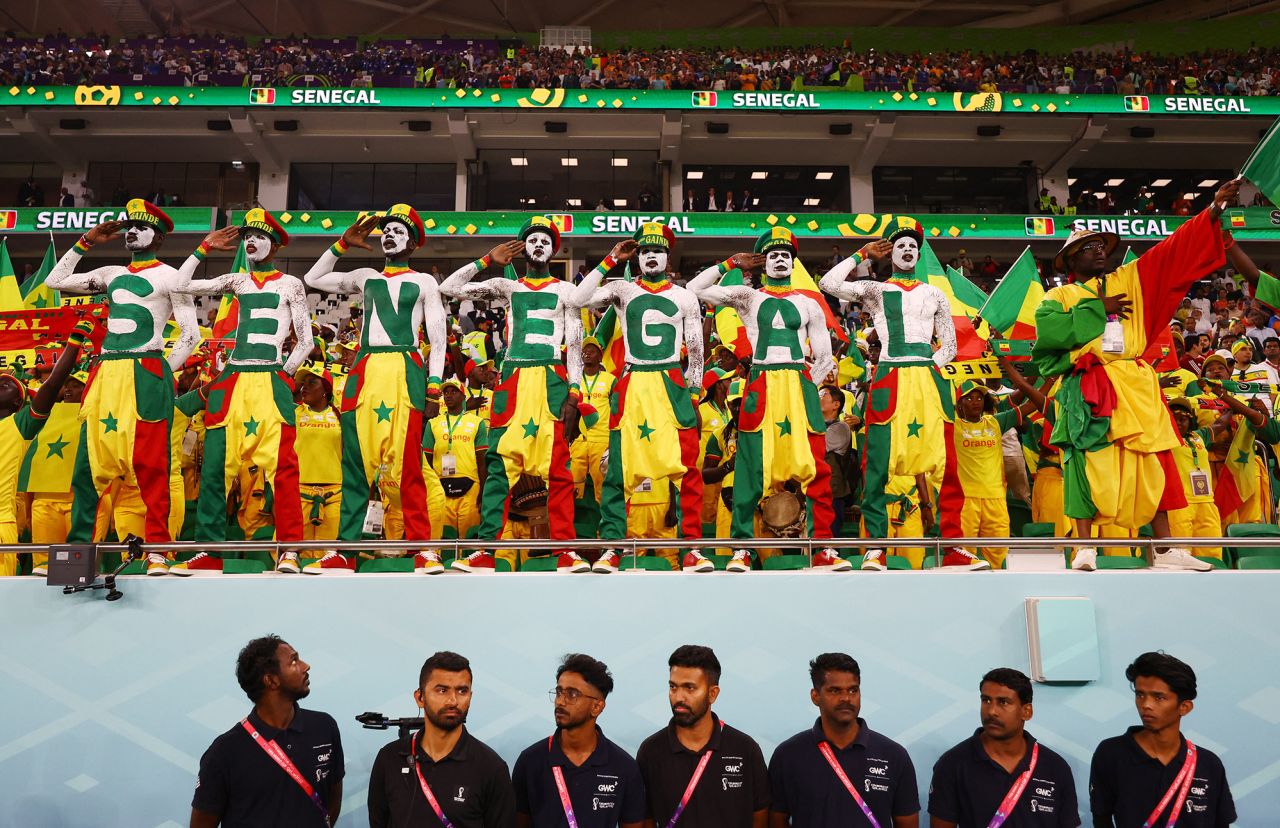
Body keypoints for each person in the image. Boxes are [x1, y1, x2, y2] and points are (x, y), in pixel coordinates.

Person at [1031, 178, 1242, 572]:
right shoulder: (1056, 297)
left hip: (1138, 384)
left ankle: (1166, 549)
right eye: (1087, 248)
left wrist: (1212, 210)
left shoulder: (1131, 279)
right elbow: (1050, 335)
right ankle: (1085, 548)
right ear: (1068, 260)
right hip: (1091, 385)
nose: (1097, 251)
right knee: (1086, 462)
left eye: (1100, 246)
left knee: (1159, 460)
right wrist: (1099, 307)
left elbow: (1171, 253)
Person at [44, 200, 200, 563]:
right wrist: (87, 241)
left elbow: (191, 336)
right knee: (87, 467)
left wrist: (162, 371)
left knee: (151, 465)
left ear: (158, 237)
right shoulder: (112, 271)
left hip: (144, 370)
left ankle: (159, 551)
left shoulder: (173, 277)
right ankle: (76, 556)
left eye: (141, 227)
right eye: (129, 226)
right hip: (106, 372)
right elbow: (55, 282)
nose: (131, 232)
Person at [688, 228, 844, 573]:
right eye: (772, 254)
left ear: (793, 261)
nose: (778, 259)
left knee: (815, 464)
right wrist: (730, 262)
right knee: (749, 467)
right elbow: (694, 289)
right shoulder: (748, 296)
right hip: (761, 379)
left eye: (785, 254)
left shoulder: (808, 302)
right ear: (762, 263)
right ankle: (742, 548)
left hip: (796, 382)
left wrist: (805, 385)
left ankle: (822, 547)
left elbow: (824, 357)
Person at [303, 205, 448, 573]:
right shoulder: (366, 275)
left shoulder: (425, 282)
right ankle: (346, 549)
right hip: (366, 368)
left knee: (409, 464)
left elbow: (438, 336)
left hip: (405, 369)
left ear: (413, 242)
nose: (389, 235)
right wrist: (341, 244)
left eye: (399, 231)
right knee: (356, 464)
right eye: (386, 230)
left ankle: (423, 548)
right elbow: (313, 277)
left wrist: (434, 388)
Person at [440, 218, 586, 572]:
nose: (538, 245)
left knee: (558, 468)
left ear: (556, 249)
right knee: (499, 466)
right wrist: (487, 260)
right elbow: (449, 287)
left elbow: (577, 345)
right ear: (522, 248)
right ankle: (487, 550)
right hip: (515, 375)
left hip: (551, 375)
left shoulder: (568, 290)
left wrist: (575, 393)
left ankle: (566, 550)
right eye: (531, 240)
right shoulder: (507, 285)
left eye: (544, 240)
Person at [171, 210, 311, 575]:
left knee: (283, 470)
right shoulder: (236, 279)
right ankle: (209, 551)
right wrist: (204, 248)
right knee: (215, 470)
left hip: (269, 379)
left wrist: (283, 376)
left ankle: (289, 550)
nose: (251, 241)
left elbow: (305, 341)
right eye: (247, 235)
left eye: (259, 235)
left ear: (275, 244)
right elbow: (181, 285)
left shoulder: (291, 284)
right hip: (233, 378)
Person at [819, 219, 960, 571]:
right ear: (891, 254)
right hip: (890, 374)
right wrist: (861, 253)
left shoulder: (935, 293)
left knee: (946, 461)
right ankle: (876, 548)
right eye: (901, 245)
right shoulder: (875, 290)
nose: (908, 249)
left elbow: (950, 345)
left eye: (914, 245)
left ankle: (954, 545)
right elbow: (828, 283)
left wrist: (928, 366)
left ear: (919, 252)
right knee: (877, 464)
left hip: (925, 378)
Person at [565, 224, 707, 573]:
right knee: (618, 469)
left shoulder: (685, 296)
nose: (651, 256)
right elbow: (578, 299)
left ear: (667, 257)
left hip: (671, 379)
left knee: (686, 466)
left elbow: (697, 346)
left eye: (657, 251)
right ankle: (614, 545)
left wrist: (692, 389)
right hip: (632, 380)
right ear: (638, 257)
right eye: (645, 251)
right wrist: (611, 259)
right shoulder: (621, 288)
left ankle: (691, 547)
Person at [191, 635, 344, 828]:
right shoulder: (224, 752)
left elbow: (333, 800)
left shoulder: (324, 727)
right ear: (271, 681)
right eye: (294, 661)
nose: (306, 666)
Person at [768, 652, 919, 827]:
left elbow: (907, 822)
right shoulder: (788, 755)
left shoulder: (893, 755)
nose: (846, 698)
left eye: (853, 690)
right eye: (835, 690)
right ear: (815, 696)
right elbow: (776, 820)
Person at [368, 650, 516, 828]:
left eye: (462, 690)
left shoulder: (491, 768)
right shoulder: (389, 758)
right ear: (420, 698)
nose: (453, 701)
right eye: (442, 690)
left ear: (470, 696)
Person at [1089, 652, 1235, 827]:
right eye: (1140, 694)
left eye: (1159, 697)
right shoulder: (1111, 753)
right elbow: (1101, 818)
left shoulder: (1208, 763)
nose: (1146, 705)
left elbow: (1221, 824)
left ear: (1184, 707)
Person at [636, 645, 769, 828]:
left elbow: (760, 815)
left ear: (712, 694)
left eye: (689, 688)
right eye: (673, 687)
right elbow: (645, 818)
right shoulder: (651, 751)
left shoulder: (745, 748)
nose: (678, 697)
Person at [928, 668, 1079, 827]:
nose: (992, 711)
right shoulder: (952, 764)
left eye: (1003, 702)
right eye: (986, 700)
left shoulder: (1055, 767)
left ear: (1026, 711)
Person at [0, 322, 95, 576]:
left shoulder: (18, 426)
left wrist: (73, 343)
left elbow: (52, 385)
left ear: (19, 401)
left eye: (4, 385)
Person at [511, 653, 646, 828]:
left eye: (572, 694)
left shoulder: (624, 767)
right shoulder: (530, 761)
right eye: (559, 692)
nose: (560, 701)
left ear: (597, 706)